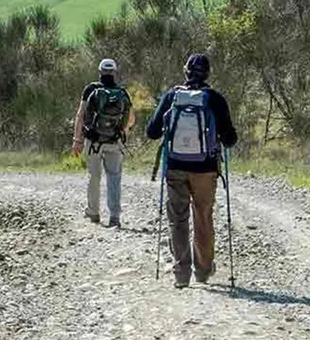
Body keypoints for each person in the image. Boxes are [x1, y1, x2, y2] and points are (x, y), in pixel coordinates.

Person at [146, 53, 237, 289]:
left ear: (185, 71)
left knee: (178, 219)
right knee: (203, 216)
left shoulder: (172, 96)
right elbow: (230, 139)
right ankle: (203, 270)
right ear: (207, 74)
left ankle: (181, 273)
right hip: (205, 169)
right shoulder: (215, 99)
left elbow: (152, 132)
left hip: (175, 166)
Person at [71, 58, 135, 228]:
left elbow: (80, 115)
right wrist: (122, 133)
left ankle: (93, 212)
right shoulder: (121, 92)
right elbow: (130, 118)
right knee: (114, 177)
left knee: (94, 176)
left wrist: (77, 140)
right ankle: (114, 216)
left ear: (100, 72)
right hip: (115, 141)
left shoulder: (91, 89)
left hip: (94, 142)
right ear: (114, 72)